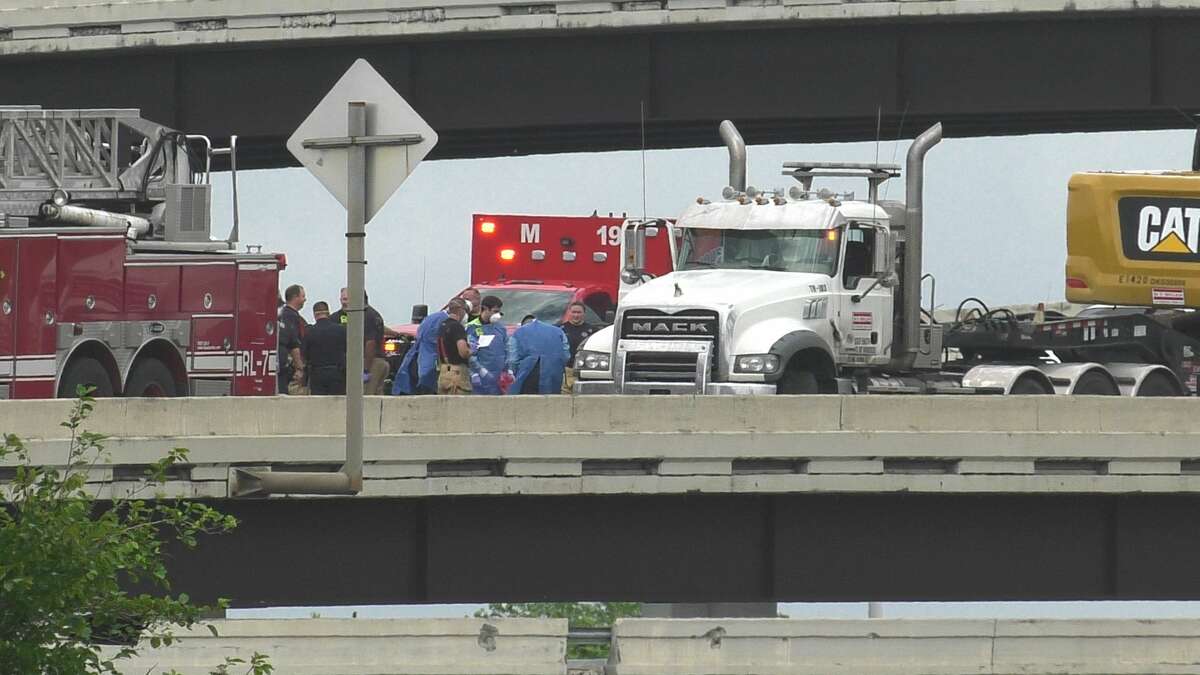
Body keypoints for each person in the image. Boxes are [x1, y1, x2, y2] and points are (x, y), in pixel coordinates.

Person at [331, 287, 390, 395]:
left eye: (348, 299)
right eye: (343, 299)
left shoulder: (366, 316)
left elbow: (370, 343)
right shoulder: (374, 314)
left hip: (372, 363)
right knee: (376, 398)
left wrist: (366, 370)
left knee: (365, 397)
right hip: (379, 362)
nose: (345, 303)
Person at [508, 313, 571, 394]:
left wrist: (515, 373)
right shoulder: (559, 331)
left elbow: (513, 360)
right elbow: (566, 355)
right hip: (554, 374)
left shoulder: (518, 333)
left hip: (528, 374)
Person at [302, 301, 347, 395]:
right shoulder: (341, 330)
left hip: (317, 374)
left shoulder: (309, 332)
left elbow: (304, 354)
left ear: (314, 315)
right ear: (328, 313)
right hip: (337, 373)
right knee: (337, 404)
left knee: (320, 405)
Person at [467, 295, 507, 395]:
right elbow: (469, 353)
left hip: (499, 378)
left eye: (499, 312)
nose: (497, 315)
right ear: (485, 309)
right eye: (495, 311)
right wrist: (476, 372)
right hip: (481, 377)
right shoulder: (472, 327)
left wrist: (508, 369)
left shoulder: (500, 328)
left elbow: (508, 348)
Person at [557, 301, 596, 395]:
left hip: (585, 371)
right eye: (573, 312)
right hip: (566, 371)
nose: (576, 315)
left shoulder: (592, 331)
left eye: (579, 312)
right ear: (569, 313)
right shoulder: (560, 330)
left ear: (584, 314)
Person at [277, 284, 307, 394]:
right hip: (285, 365)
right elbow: (294, 344)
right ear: (295, 297)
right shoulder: (292, 317)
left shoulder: (282, 315)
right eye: (303, 296)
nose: (305, 299)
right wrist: (299, 367)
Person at [437, 299, 472, 395]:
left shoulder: (442, 326)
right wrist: (471, 350)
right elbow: (463, 352)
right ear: (460, 310)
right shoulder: (457, 327)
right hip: (457, 373)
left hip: (443, 372)